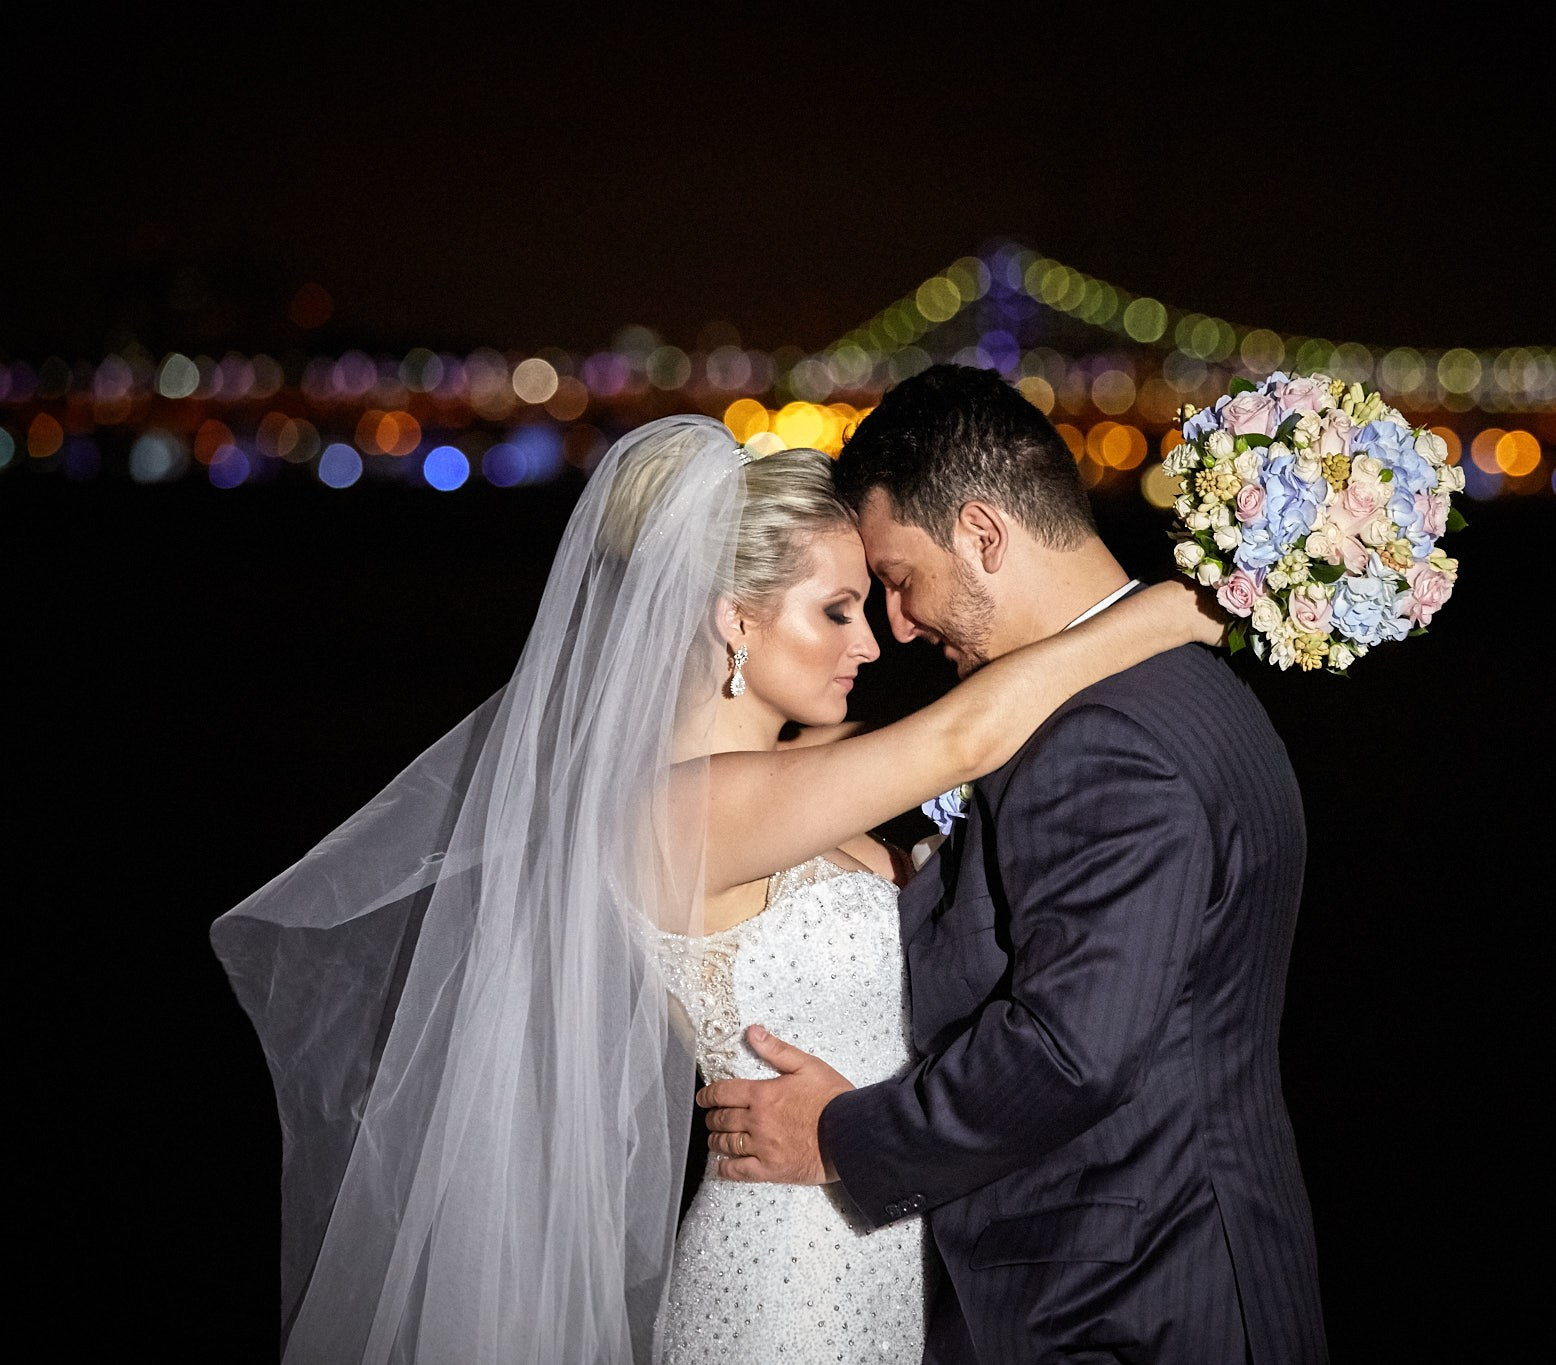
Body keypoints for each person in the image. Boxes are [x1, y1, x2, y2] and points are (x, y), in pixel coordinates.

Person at [212, 413, 1219, 1364]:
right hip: (784, 1275)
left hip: (893, 1247)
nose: (872, 643)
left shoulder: (807, 777)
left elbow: (969, 726)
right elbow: (968, 733)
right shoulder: (675, 812)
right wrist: (1186, 604)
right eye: (835, 610)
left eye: (867, 602)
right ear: (732, 621)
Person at [699, 366, 1329, 1363]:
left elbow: (1070, 1050)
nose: (895, 627)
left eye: (899, 581)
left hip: (1122, 1305)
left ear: (983, 536)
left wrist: (839, 1139)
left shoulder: (1103, 739)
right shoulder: (1178, 685)